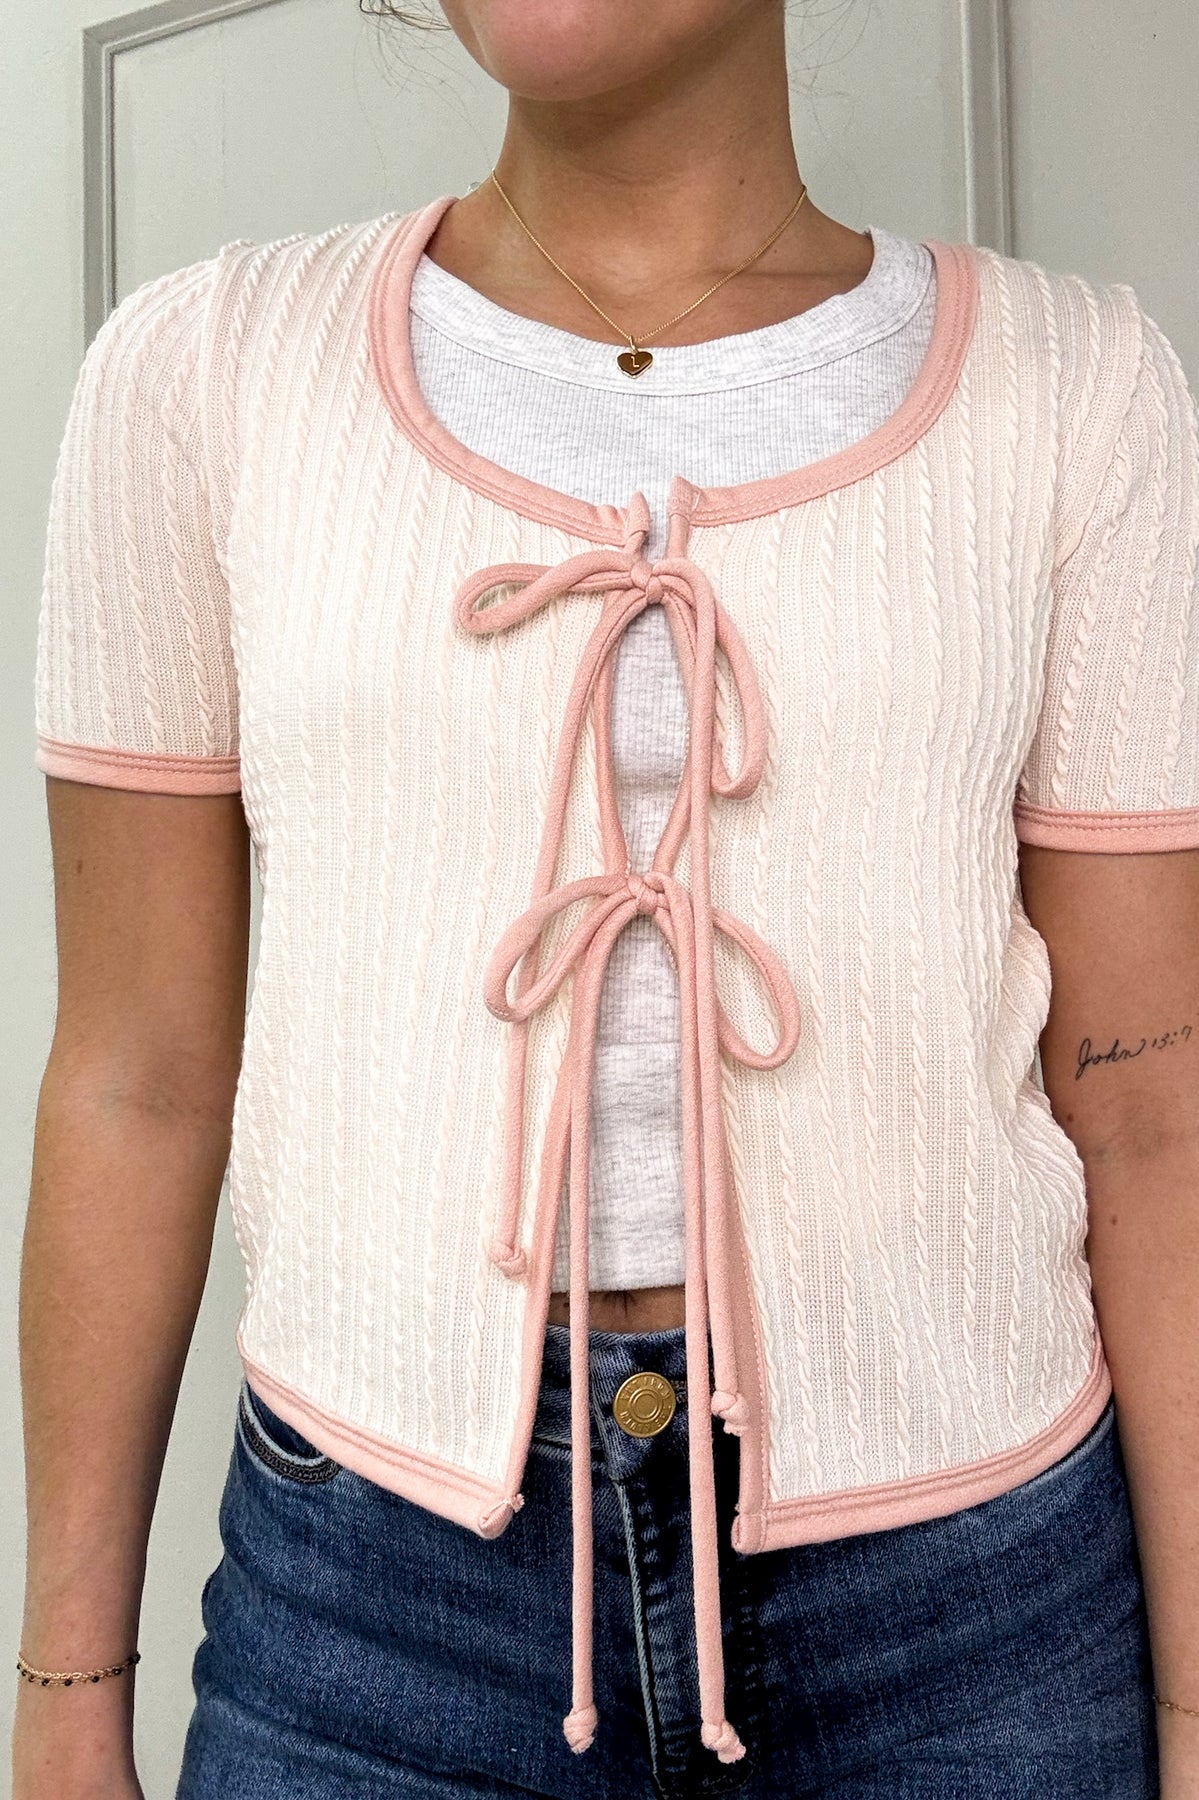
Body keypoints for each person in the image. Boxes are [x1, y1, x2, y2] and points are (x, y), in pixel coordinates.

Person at [15, 0, 1199, 1794]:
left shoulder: (1083, 389)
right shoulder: (199, 374)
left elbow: (1152, 1106)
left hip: (970, 1614)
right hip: (368, 1615)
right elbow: (135, 1074)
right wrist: (61, 1695)